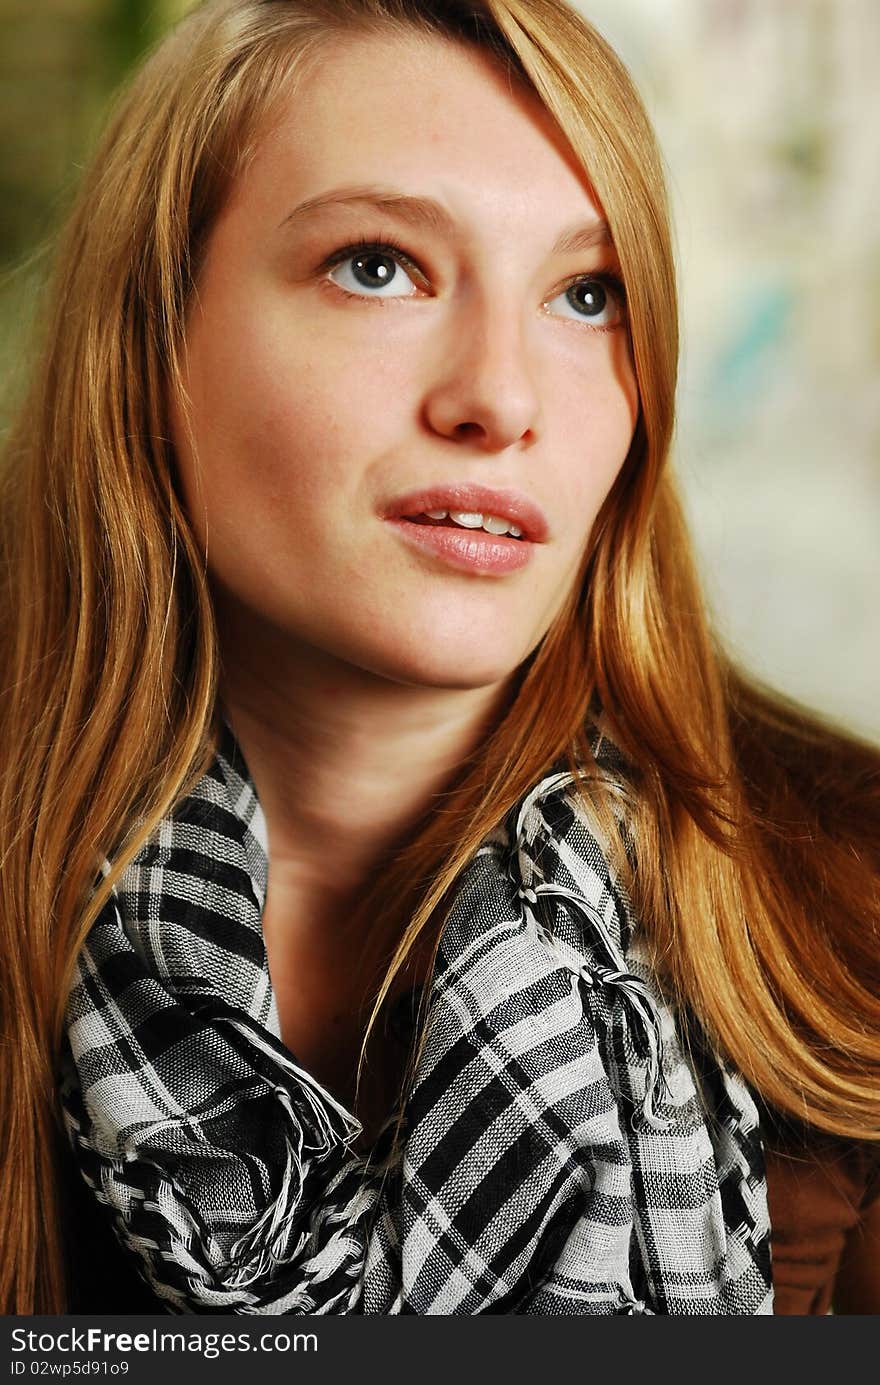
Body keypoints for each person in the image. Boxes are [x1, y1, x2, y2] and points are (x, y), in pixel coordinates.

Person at [0, 0, 877, 1316]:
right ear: (156, 340)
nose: (503, 397)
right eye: (378, 266)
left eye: (589, 296)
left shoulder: (857, 895)